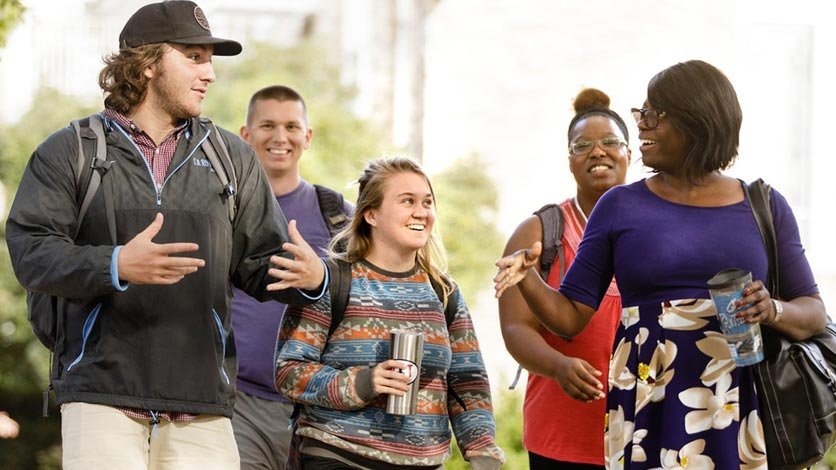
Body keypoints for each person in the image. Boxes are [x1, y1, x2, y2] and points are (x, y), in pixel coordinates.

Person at [5, 2, 327, 469]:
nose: (210, 73)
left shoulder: (232, 159)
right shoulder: (69, 150)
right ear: (149, 62)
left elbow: (265, 265)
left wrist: (312, 277)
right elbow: (31, 252)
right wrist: (115, 265)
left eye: (210, 59)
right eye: (194, 57)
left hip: (203, 409)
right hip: (100, 400)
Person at [494, 60, 828, 469]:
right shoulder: (618, 206)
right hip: (648, 403)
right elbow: (569, 318)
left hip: (740, 403)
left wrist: (771, 309)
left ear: (696, 121)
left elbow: (812, 313)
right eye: (641, 114)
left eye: (653, 115)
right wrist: (527, 278)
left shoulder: (765, 205)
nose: (642, 126)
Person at [275, 157, 505, 469]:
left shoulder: (444, 291)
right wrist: (364, 383)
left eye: (427, 202)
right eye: (407, 201)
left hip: (423, 462)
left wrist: (483, 451)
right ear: (371, 214)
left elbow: (468, 382)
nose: (421, 212)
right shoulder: (332, 280)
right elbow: (290, 372)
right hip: (338, 454)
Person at [498, 88, 629, 469]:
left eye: (610, 142)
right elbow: (515, 328)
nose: (597, 151)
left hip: (644, 430)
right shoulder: (540, 232)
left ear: (629, 154)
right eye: (582, 145)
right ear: (570, 161)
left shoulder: (656, 229)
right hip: (562, 436)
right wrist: (558, 366)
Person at [232, 85, 353, 470]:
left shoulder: (339, 216)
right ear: (246, 135)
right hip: (238, 404)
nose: (280, 137)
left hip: (316, 408)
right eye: (267, 125)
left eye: (291, 126)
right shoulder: (221, 209)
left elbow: (368, 296)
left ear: (308, 136)